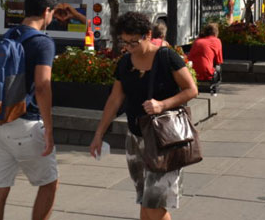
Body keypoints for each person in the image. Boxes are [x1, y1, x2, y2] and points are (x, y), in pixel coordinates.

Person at [90, 12, 198, 220]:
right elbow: (114, 100)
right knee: (145, 202)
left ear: (148, 35)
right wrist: (98, 134)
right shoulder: (125, 63)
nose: (129, 47)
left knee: (154, 207)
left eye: (133, 42)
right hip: (135, 139)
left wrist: (162, 105)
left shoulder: (167, 58)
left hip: (164, 142)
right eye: (125, 42)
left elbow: (191, 90)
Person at [0, 0, 59, 220]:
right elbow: (42, 86)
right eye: (53, 13)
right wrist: (49, 128)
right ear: (47, 11)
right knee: (49, 184)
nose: (53, 18)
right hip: (26, 124)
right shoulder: (43, 42)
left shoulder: (9, 35)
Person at [187, 22, 223, 93]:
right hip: (206, 73)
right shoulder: (216, 41)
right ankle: (214, 86)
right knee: (219, 67)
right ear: (215, 33)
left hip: (191, 72)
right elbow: (219, 61)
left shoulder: (197, 40)